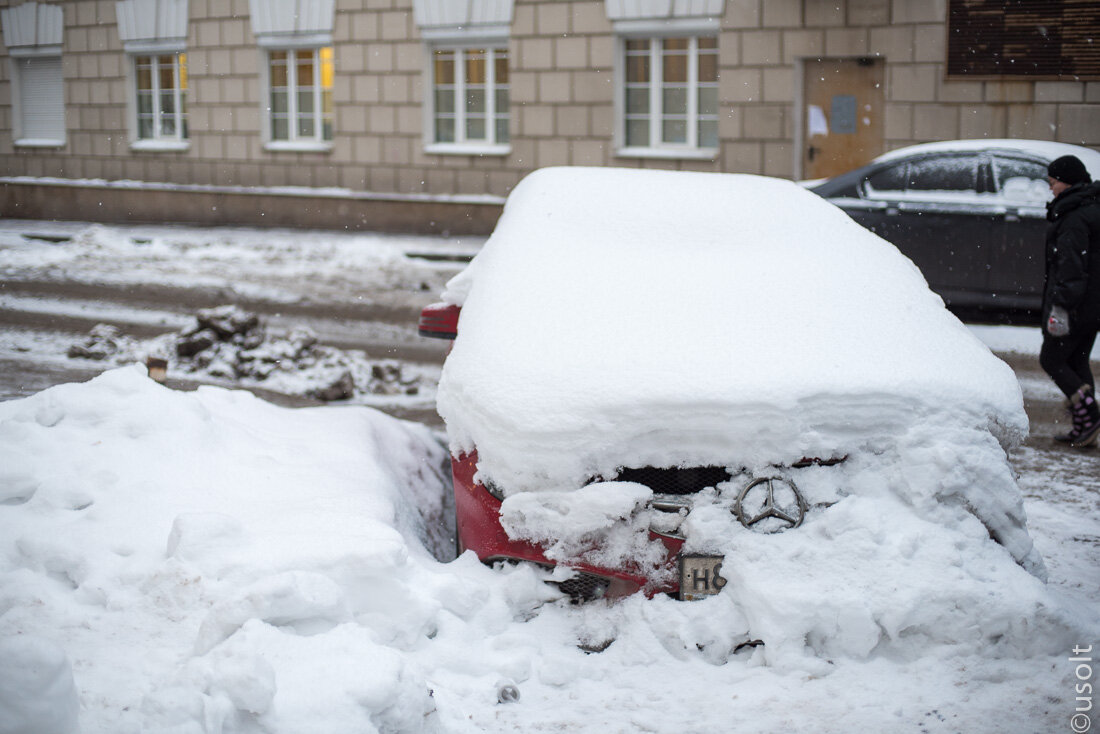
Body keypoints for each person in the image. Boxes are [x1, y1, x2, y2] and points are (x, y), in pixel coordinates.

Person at [1038, 154, 1100, 448]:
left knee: (1051, 358)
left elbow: (1071, 268)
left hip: (1077, 304)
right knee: (1076, 360)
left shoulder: (1074, 217)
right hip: (1092, 303)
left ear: (1068, 182)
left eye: (1053, 183)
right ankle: (1084, 428)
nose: (1051, 189)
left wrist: (1061, 305)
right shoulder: (1090, 208)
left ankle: (1090, 413)